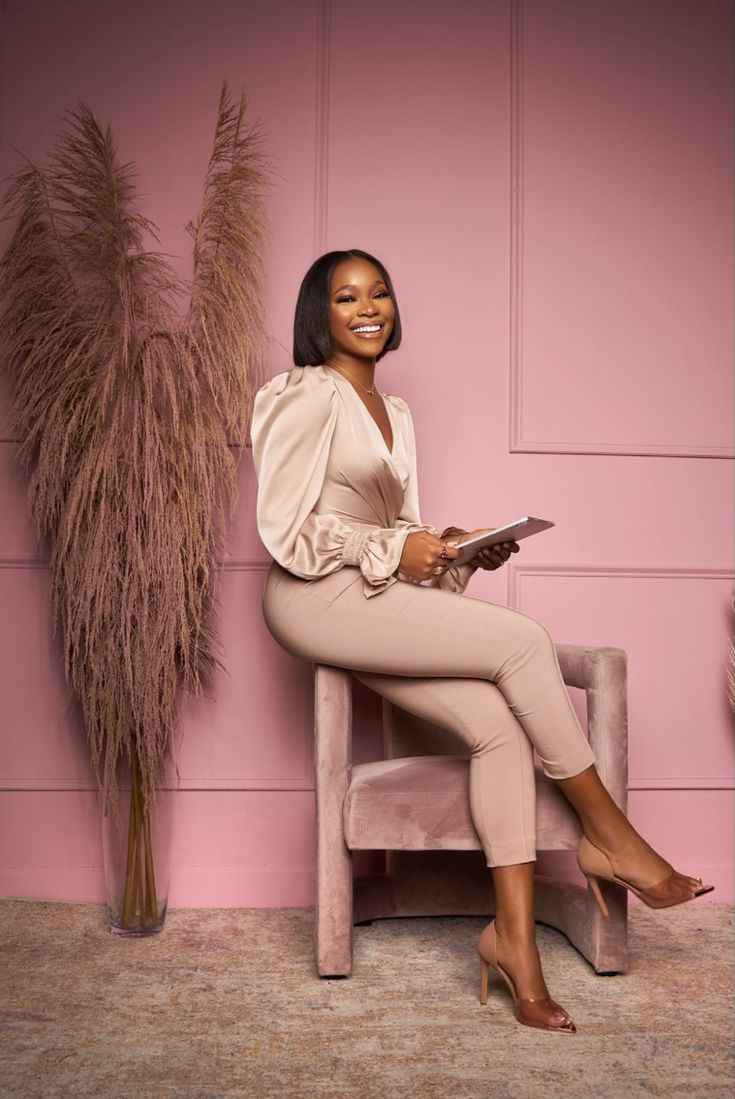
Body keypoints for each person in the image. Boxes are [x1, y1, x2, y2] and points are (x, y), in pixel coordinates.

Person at [250, 248, 713, 1034]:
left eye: (380, 292)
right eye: (345, 297)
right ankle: (613, 840)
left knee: (498, 727)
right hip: (309, 596)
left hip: (370, 594)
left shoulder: (394, 413)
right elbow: (286, 529)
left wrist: (450, 547)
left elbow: (394, 535)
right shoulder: (300, 395)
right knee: (524, 640)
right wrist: (395, 550)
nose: (368, 307)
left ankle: (512, 946)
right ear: (317, 314)